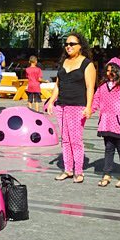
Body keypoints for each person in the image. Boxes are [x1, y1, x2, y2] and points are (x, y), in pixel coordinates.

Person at [47, 32, 96, 183]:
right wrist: (51, 101)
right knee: (65, 140)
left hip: (77, 106)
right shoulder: (63, 62)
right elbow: (58, 85)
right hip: (62, 105)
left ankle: (79, 171)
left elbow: (90, 87)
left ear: (80, 46)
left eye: (72, 44)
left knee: (75, 140)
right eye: (66, 44)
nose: (68, 46)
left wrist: (88, 107)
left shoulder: (87, 64)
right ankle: (68, 170)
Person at [92, 57, 120, 188]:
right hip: (106, 123)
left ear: (119, 71)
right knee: (108, 149)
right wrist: (88, 110)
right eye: (107, 71)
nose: (108, 74)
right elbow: (96, 101)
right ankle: (107, 174)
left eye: (112, 71)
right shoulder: (102, 87)